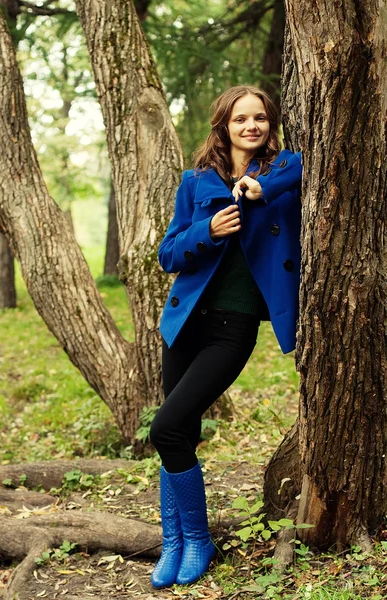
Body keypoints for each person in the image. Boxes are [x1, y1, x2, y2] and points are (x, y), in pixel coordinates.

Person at [149, 85, 302, 588]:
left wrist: (264, 190)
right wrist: (208, 231)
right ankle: (173, 543)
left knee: (165, 428)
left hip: (232, 328)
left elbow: (309, 165)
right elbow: (168, 253)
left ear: (269, 124)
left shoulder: (281, 173)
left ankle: (197, 539)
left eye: (260, 118)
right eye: (241, 119)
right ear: (224, 125)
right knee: (180, 432)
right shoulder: (196, 181)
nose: (251, 126)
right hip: (185, 323)